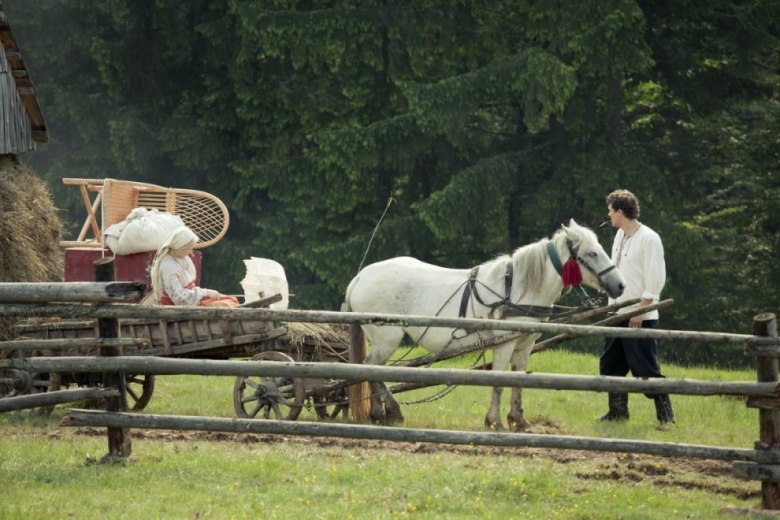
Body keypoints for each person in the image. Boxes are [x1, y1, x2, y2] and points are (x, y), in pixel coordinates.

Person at [598, 189, 674, 424]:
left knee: (645, 369)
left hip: (640, 316)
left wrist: (640, 312)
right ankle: (618, 413)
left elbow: (655, 279)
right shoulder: (620, 236)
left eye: (610, 211)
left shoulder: (649, 238)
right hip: (617, 313)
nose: (608, 215)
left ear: (620, 212)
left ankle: (666, 417)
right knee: (611, 365)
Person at [148, 226, 239, 307]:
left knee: (232, 300)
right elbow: (179, 299)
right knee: (226, 305)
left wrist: (204, 293)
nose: (191, 252)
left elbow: (190, 289)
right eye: (188, 248)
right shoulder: (168, 266)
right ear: (178, 246)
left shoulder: (181, 257)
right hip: (177, 307)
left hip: (192, 298)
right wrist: (206, 292)